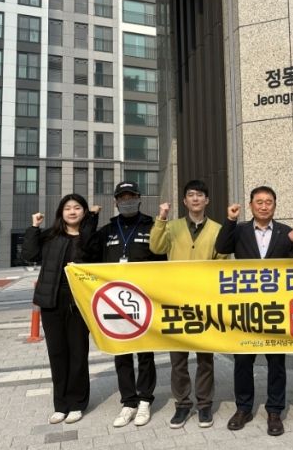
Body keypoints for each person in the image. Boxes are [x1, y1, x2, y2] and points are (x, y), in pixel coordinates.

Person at [215, 185, 293, 436]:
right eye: (259, 202)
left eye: (268, 202)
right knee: (243, 361)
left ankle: (274, 411)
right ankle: (243, 408)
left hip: (276, 308)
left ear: (275, 205)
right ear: (251, 205)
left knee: (276, 362)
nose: (264, 206)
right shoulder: (240, 230)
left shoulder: (286, 232)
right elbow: (222, 246)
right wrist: (230, 220)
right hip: (247, 307)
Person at [87, 181, 166, 428]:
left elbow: (164, 262)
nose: (127, 201)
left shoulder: (151, 226)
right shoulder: (108, 230)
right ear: (116, 202)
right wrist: (91, 218)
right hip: (115, 303)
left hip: (144, 301)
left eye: (131, 196)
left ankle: (145, 400)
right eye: (123, 197)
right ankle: (128, 401)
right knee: (121, 353)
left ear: (139, 198)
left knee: (145, 352)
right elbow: (88, 251)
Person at [149, 179, 226, 429]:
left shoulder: (216, 229)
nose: (195, 198)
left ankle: (204, 404)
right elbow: (156, 247)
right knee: (178, 359)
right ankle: (182, 404)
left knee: (205, 358)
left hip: (204, 302)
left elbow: (223, 261)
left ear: (207, 200)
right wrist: (161, 218)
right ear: (184, 201)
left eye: (200, 195)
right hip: (177, 301)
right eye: (191, 195)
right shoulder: (171, 227)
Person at [21, 194, 99, 425]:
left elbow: (96, 256)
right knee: (57, 353)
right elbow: (29, 255)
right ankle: (60, 404)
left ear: (84, 212)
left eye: (77, 208)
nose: (72, 212)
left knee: (78, 352)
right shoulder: (50, 236)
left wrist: (92, 221)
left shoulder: (89, 238)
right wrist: (34, 227)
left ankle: (77, 403)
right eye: (67, 208)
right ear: (61, 213)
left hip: (78, 302)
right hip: (51, 302)